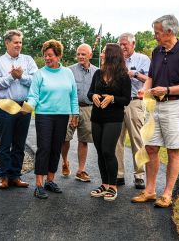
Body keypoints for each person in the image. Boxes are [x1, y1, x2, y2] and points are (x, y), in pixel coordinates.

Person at [131, 15, 179, 207]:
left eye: (157, 33)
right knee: (151, 148)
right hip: (154, 106)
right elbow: (151, 77)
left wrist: (167, 90)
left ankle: (167, 194)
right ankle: (150, 191)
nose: (155, 36)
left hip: (175, 106)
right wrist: (146, 88)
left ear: (169, 32)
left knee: (173, 151)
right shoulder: (156, 51)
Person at [27, 39, 79, 199]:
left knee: (56, 148)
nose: (47, 58)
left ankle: (50, 180)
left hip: (62, 116)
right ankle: (39, 184)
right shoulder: (39, 74)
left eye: (50, 55)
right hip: (44, 116)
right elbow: (33, 95)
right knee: (44, 148)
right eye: (45, 56)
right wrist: (28, 106)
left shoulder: (68, 73)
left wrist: (75, 114)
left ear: (58, 56)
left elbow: (73, 95)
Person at [0, 30, 38, 190]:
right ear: (7, 43)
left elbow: (36, 80)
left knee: (19, 144)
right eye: (15, 42)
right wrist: (11, 77)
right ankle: (3, 176)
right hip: (5, 106)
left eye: (20, 42)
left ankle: (15, 176)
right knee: (5, 143)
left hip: (23, 106)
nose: (19, 45)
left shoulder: (28, 60)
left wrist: (21, 77)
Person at [88, 43, 131, 201]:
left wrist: (112, 98)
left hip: (113, 119)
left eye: (104, 52)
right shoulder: (98, 73)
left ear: (111, 55)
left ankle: (113, 186)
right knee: (99, 151)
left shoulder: (123, 76)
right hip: (97, 117)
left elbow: (126, 99)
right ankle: (104, 184)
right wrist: (92, 95)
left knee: (108, 151)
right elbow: (90, 92)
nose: (101, 54)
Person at [115, 32, 151, 189]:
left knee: (137, 139)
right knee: (117, 140)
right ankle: (118, 174)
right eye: (120, 44)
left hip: (135, 102)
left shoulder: (143, 59)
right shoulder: (116, 60)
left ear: (133, 44)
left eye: (125, 44)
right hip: (117, 103)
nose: (122, 47)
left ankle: (139, 175)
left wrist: (135, 74)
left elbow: (150, 80)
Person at [61, 43, 98, 182]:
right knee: (65, 138)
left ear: (90, 55)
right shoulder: (68, 71)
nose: (80, 56)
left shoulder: (97, 72)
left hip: (88, 109)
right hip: (70, 109)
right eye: (78, 54)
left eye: (83, 54)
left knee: (84, 140)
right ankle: (65, 161)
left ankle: (80, 170)